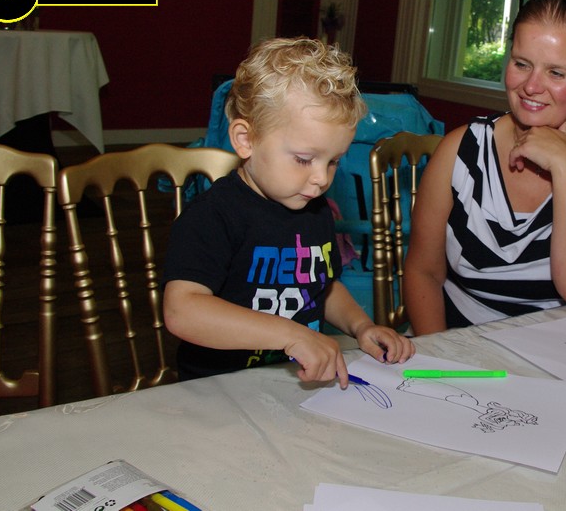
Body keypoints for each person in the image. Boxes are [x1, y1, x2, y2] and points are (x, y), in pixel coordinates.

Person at [163, 37, 415, 386]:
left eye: (333, 161)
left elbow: (322, 287)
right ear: (246, 140)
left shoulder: (316, 210)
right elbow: (183, 311)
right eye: (303, 159)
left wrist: (361, 326)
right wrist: (290, 334)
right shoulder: (213, 216)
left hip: (291, 384)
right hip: (220, 389)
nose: (321, 178)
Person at [404, 0, 566, 335]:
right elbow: (423, 272)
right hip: (455, 342)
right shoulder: (460, 149)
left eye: (556, 72)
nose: (531, 86)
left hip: (559, 353)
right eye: (521, 64)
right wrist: (441, 357)